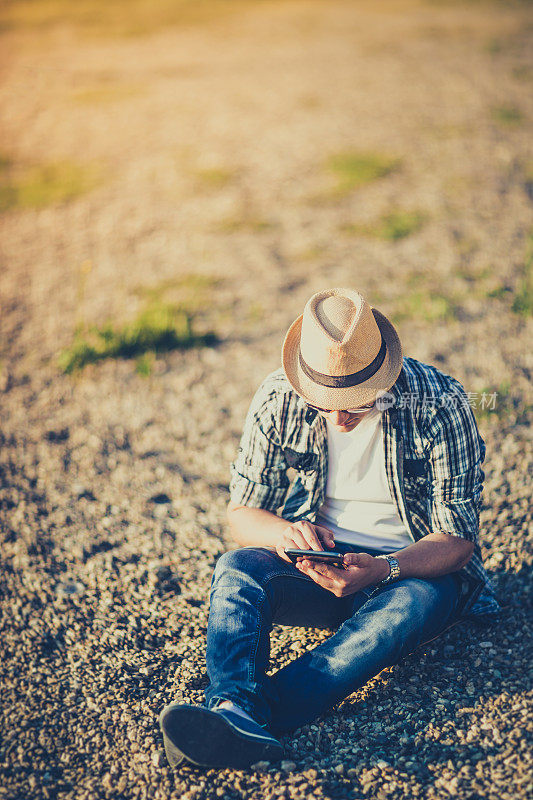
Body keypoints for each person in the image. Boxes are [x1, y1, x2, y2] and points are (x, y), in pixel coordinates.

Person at [159, 287, 499, 770]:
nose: (338, 418)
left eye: (355, 402)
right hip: (320, 565)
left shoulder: (441, 404)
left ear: (385, 374)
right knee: (236, 568)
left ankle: (243, 717)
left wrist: (382, 569)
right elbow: (241, 514)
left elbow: (458, 542)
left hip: (409, 571)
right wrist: (283, 535)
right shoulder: (279, 395)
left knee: (413, 604)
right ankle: (235, 708)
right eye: (323, 401)